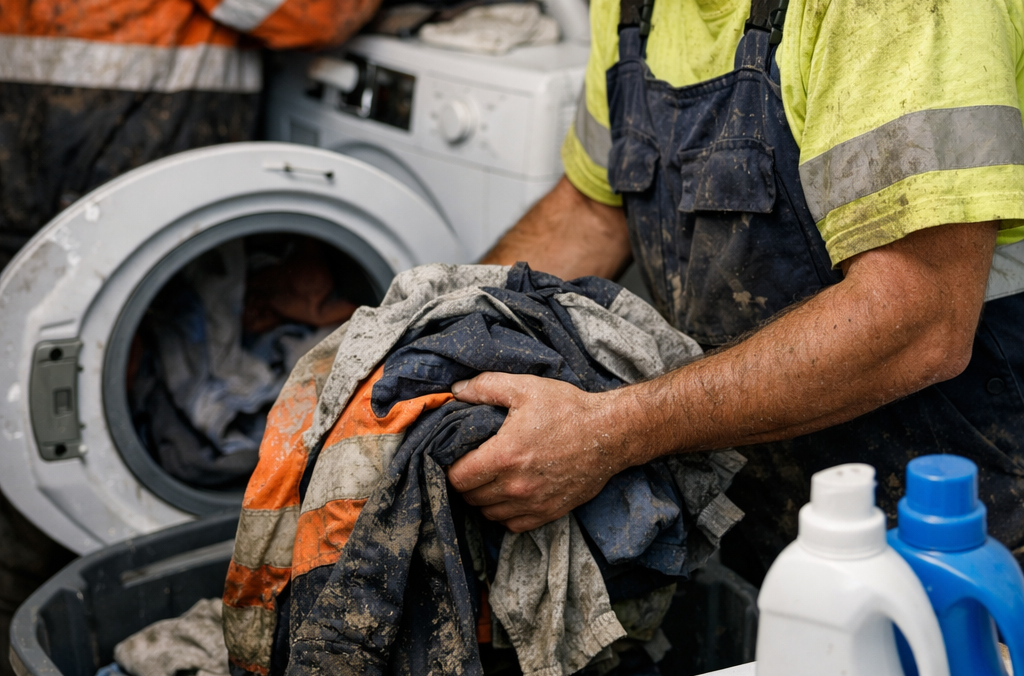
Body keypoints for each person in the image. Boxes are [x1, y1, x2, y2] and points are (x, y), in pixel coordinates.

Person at [446, 0, 1024, 584]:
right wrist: (440, 328)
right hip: (763, 505)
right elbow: (594, 209)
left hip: (959, 540)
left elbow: (920, 318)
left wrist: (610, 431)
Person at [0, 0, 379, 672]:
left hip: (34, 156)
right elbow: (310, 13)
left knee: (33, 442)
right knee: (50, 451)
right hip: (134, 147)